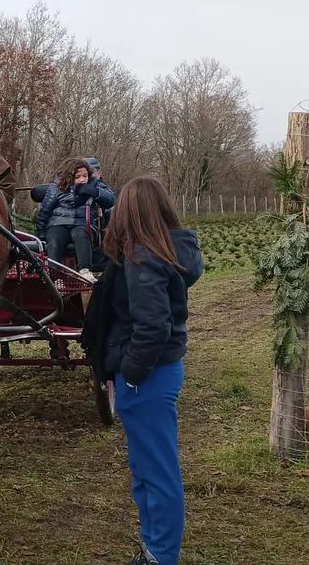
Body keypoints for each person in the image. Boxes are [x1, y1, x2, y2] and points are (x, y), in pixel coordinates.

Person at [82, 176, 202, 565]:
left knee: (157, 471)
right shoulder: (163, 251)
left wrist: (130, 374)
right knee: (145, 468)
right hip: (157, 373)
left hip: (147, 378)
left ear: (129, 212)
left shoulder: (141, 258)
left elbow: (152, 327)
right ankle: (153, 548)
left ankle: (162, 555)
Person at [35, 158, 105, 282]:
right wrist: (41, 235)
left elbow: (111, 198)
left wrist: (94, 192)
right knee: (55, 238)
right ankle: (54, 276)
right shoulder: (56, 188)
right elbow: (45, 211)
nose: (82, 179)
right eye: (77, 177)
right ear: (69, 177)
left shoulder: (95, 184)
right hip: (59, 222)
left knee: (81, 234)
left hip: (84, 222)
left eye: (85, 176)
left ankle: (85, 271)